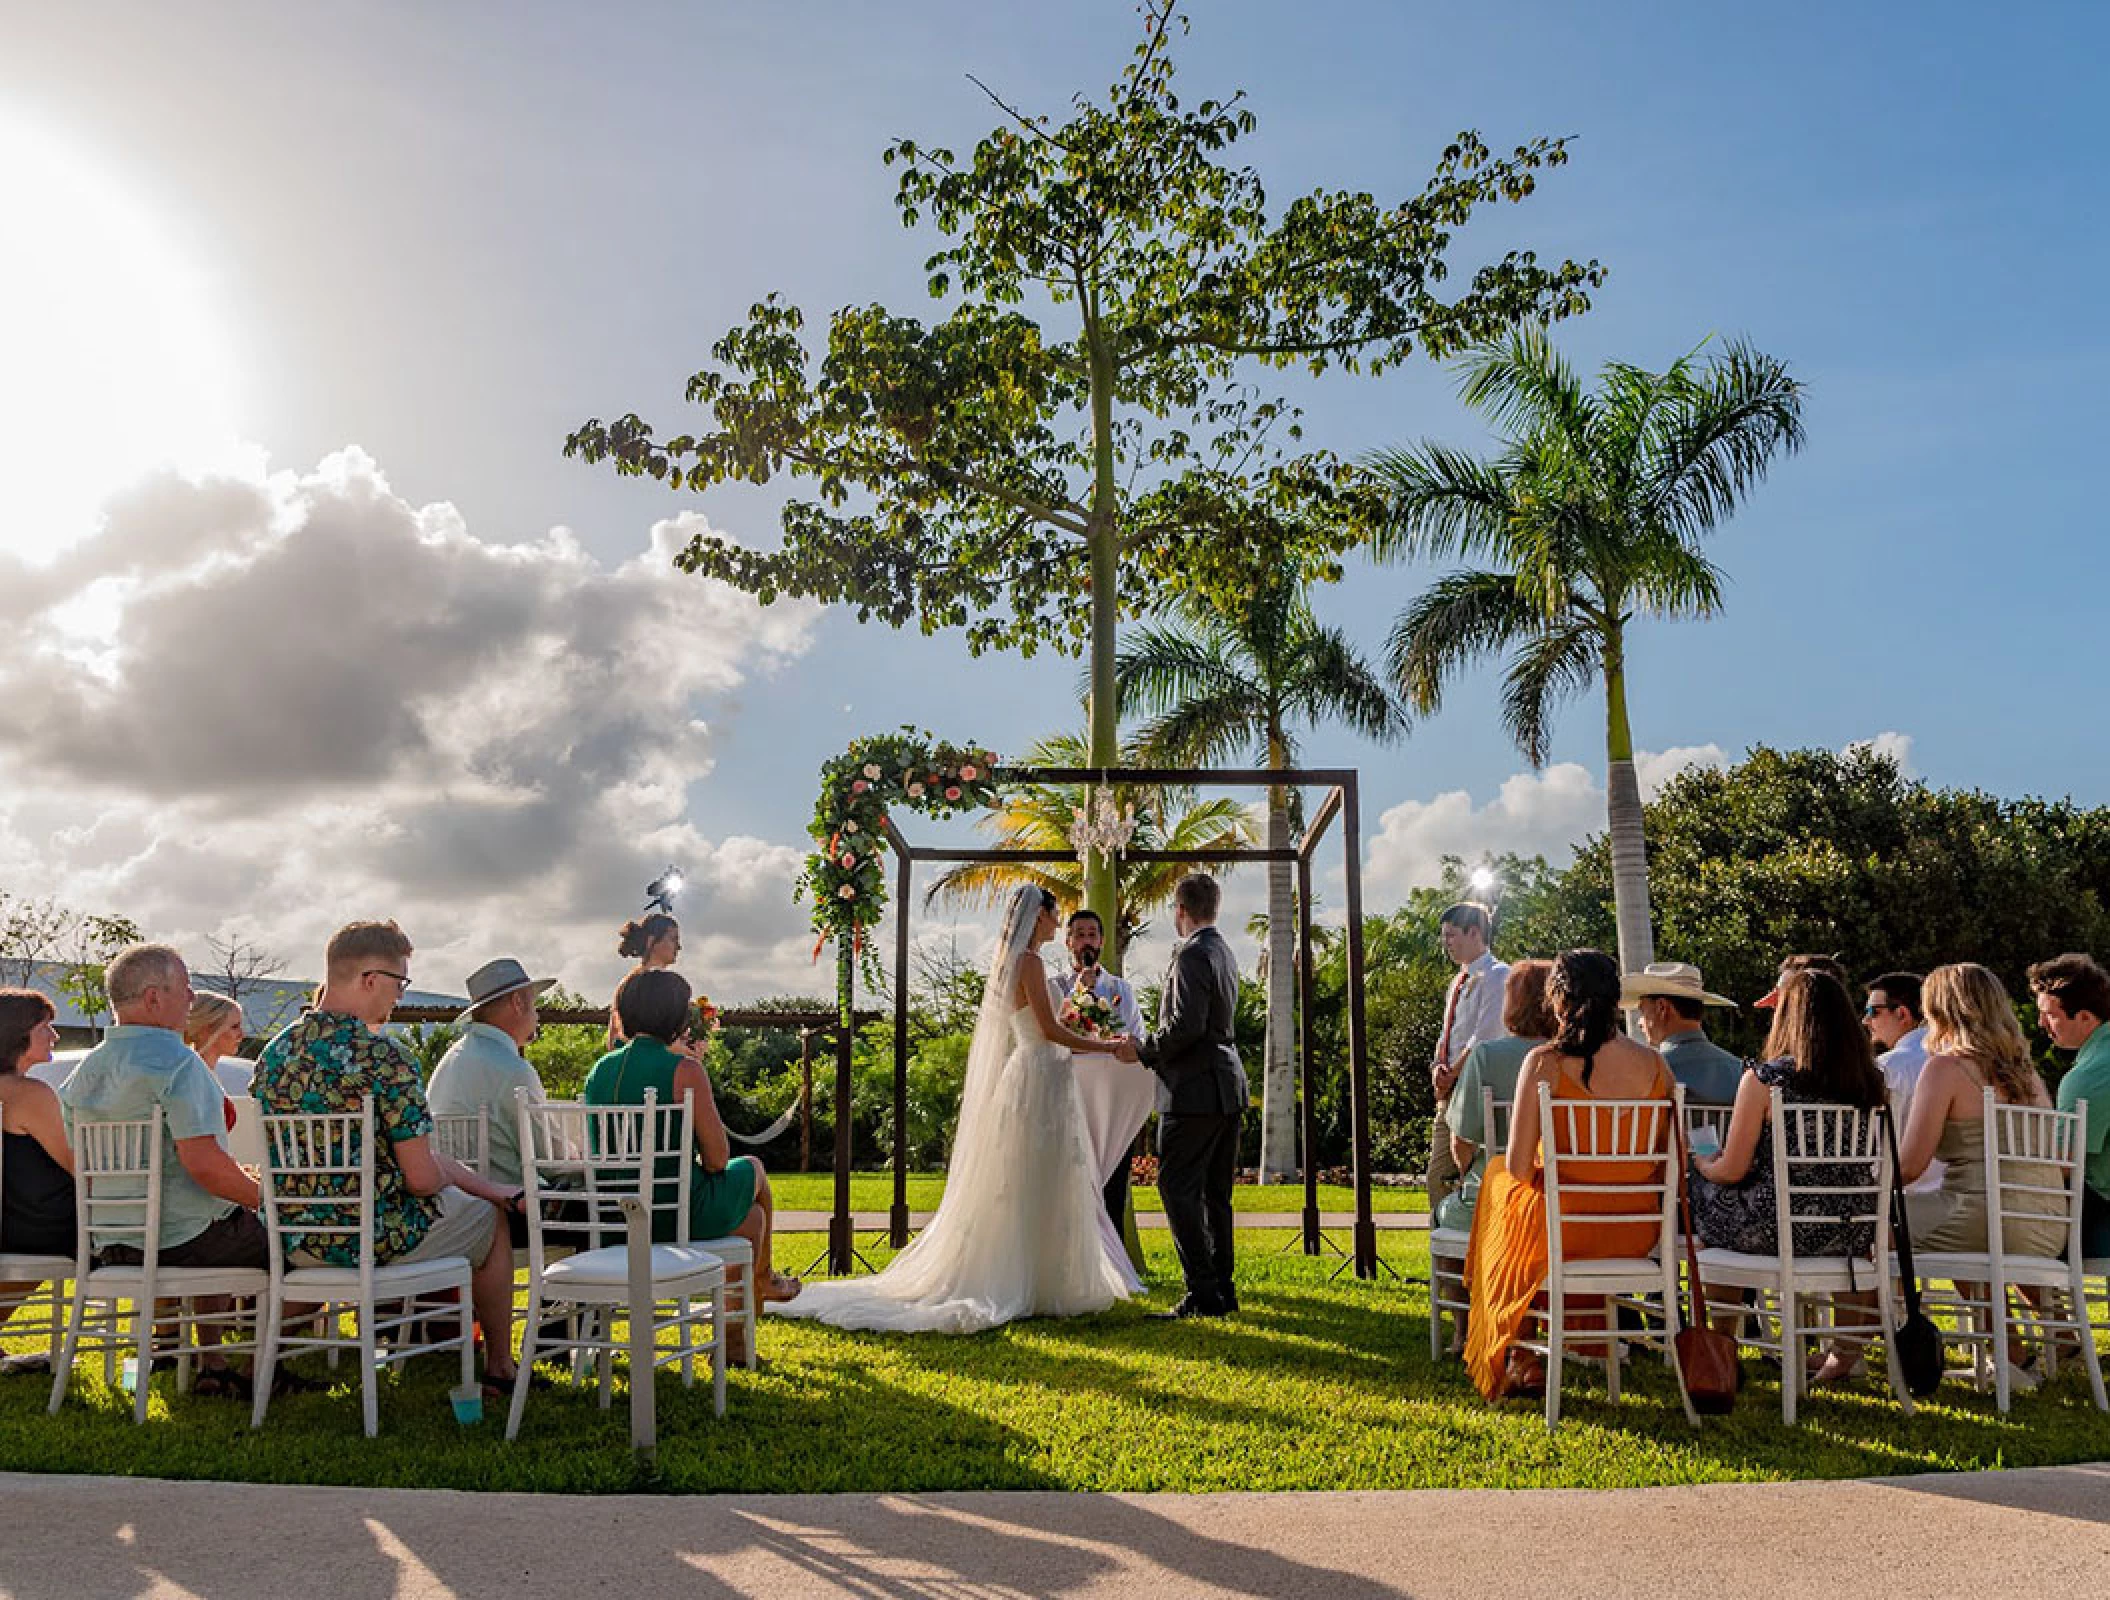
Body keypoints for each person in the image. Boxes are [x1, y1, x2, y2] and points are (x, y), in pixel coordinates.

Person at [783, 885, 1133, 1333]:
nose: (1056, 922)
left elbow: (1044, 1022)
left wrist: (1081, 1008)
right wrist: (1107, 1046)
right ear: (1039, 917)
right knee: (1040, 1174)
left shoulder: (1013, 962)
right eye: (1054, 915)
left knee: (1030, 1176)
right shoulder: (1030, 962)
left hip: (1032, 1072)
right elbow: (1048, 1030)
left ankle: (1037, 1277)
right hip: (1041, 1073)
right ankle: (1039, 1281)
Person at [253, 921, 525, 1399]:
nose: (401, 995)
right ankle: (501, 1366)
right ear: (370, 979)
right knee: (489, 1219)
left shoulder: (275, 1055)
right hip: (372, 1240)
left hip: (293, 1241)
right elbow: (420, 1179)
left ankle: (264, 1363)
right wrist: (468, 1182)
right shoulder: (384, 1057)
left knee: (472, 1201)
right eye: (400, 982)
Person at [1463, 949, 1674, 1401]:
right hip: (1635, 1232)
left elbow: (1520, 1167)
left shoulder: (1545, 1062)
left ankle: (1521, 1352)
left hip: (1568, 1229)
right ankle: (1535, 1350)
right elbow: (1669, 1160)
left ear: (1558, 1001)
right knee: (1514, 1197)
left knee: (1499, 1180)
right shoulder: (1657, 1066)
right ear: (1615, 1000)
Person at [59, 945, 269, 1396]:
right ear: (154, 998)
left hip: (113, 1244)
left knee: (221, 1218)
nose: (192, 998)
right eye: (185, 988)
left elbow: (79, 1165)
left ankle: (214, 1363)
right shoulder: (179, 1065)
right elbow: (206, 1167)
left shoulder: (84, 1073)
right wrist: (270, 1202)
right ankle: (262, 1374)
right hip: (182, 1242)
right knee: (292, 1239)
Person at [1687, 968, 1888, 1383]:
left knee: (1708, 1205)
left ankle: (1723, 1343)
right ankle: (1845, 1355)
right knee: (1719, 1208)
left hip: (1777, 1228)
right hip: (1850, 1228)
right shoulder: (1870, 1082)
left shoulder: (1765, 1080)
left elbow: (1732, 1169)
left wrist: (1703, 1164)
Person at [584, 967, 797, 1355]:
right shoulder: (684, 1070)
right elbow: (717, 1160)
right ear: (677, 1019)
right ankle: (760, 1285)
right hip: (673, 1215)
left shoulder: (598, 1072)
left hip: (615, 1218)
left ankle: (736, 1337)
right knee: (753, 1168)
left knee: (753, 1221)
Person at [1897, 962, 2064, 1390]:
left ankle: (1853, 1352)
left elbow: (1910, 1166)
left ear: (1940, 1011)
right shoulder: (2028, 1075)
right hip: (2045, 1223)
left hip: (1981, 1216)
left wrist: (1865, 1181)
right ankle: (2012, 1354)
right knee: (1953, 1227)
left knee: (1876, 1224)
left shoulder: (1947, 1068)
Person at [1115, 874, 1249, 1319]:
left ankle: (1203, 1291)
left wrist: (1144, 1050)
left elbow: (1186, 1025)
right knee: (1215, 1194)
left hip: (1194, 1090)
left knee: (1177, 1187)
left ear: (1180, 910)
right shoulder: (1224, 951)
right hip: (1226, 1084)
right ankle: (1222, 1289)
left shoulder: (1191, 953)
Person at [1048, 907, 1151, 1280]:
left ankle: (1114, 1269)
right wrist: (1081, 991)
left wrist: (1120, 1042)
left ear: (1102, 941)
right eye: (1079, 935)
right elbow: (1051, 1036)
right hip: (1069, 1099)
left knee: (1113, 1185)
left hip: (1110, 1103)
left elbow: (1136, 1037)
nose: (1086, 941)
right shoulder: (1055, 986)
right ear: (1068, 942)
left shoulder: (1121, 989)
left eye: (1092, 934)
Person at [429, 958, 556, 1228]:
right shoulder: (513, 1070)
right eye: (534, 1004)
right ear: (518, 1003)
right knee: (603, 1207)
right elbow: (550, 1160)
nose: (537, 1015)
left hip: (452, 1204)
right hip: (509, 1206)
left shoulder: (450, 1060)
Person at [1437, 959, 1555, 1233]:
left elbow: (1460, 1142)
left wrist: (1469, 1175)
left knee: (1442, 1212)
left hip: (1492, 1196)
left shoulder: (1486, 1056)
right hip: (1556, 1197)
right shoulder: (1573, 1058)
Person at [0, 989, 74, 1373]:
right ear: (18, 1033)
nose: (55, 1036)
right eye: (46, 1027)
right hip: (41, 1224)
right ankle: (167, 1344)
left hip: (11, 1220)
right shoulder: (30, 1094)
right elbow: (78, 1165)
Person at [1426, 903, 1510, 1214]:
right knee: (1439, 1177)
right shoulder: (1458, 981)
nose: (1446, 942)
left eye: (1451, 935)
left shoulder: (1497, 976)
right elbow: (1448, 1034)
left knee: (1472, 1174)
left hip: (1475, 1088)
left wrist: (1453, 1074)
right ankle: (1443, 1237)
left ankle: (1468, 1236)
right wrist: (1438, 1067)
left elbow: (1485, 1036)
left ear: (1474, 933)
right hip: (1450, 1090)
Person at [2027, 953, 2110, 1259]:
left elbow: (2062, 1165)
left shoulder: (2089, 1074)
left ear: (2086, 1017)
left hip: (2102, 1215)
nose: (2041, 1024)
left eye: (2050, 1015)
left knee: (2006, 1228)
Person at [1620, 962, 1743, 1107]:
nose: (1640, 1022)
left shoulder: (1647, 1072)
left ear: (1662, 1008)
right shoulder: (1740, 1071)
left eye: (1642, 1012)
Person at [1865, 972, 1941, 1195]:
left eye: (1872, 1012)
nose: (1865, 1020)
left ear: (1901, 1014)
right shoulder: (1956, 1059)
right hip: (1952, 1192)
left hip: (1901, 1194)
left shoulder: (1887, 1067)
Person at [605, 913, 681, 1046]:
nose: (679, 946)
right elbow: (614, 1039)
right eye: (673, 939)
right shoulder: (631, 984)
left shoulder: (672, 986)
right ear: (652, 941)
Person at [184, 993, 252, 1099]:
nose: (242, 1035)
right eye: (234, 1027)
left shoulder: (202, 1077)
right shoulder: (192, 1080)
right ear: (206, 1030)